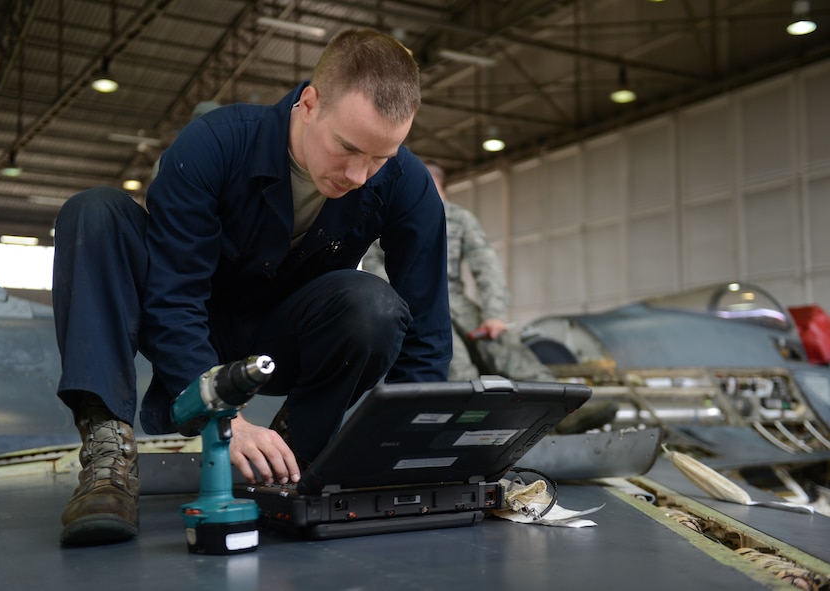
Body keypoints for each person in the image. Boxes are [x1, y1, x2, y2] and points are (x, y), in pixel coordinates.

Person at [52, 29, 451, 547]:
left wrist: (413, 448)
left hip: (282, 339)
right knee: (94, 212)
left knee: (373, 304)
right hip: (188, 318)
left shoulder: (407, 183)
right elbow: (174, 297)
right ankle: (108, 455)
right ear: (309, 104)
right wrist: (223, 420)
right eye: (347, 148)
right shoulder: (214, 144)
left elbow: (426, 329)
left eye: (380, 158)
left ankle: (291, 457)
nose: (358, 175)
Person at [363, 160, 552, 383]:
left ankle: (560, 405)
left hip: (456, 301)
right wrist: (397, 305)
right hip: (412, 302)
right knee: (454, 364)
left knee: (507, 349)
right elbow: (373, 262)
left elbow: (486, 266)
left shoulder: (460, 219)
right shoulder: (396, 217)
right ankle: (467, 410)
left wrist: (494, 314)